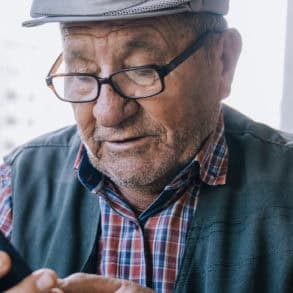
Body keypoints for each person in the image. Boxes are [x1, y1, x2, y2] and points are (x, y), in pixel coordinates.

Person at [0, 0, 293, 292]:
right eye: (81, 73)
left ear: (223, 63)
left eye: (142, 70)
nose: (107, 113)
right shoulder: (14, 186)